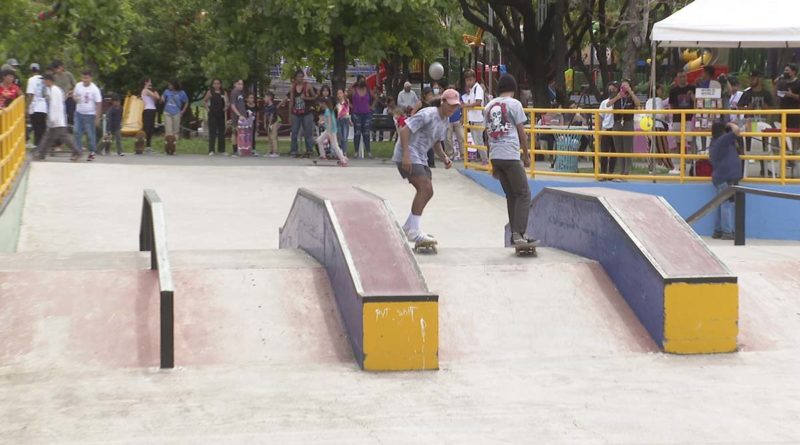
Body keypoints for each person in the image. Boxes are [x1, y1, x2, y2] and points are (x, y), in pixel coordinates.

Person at [392, 89, 459, 248]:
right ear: (442, 102)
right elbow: (404, 130)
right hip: (407, 154)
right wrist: (406, 156)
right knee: (425, 188)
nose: (452, 109)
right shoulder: (427, 114)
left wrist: (444, 158)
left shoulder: (444, 121)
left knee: (427, 191)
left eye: (455, 107)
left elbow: (436, 142)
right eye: (450, 106)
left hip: (420, 157)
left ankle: (409, 226)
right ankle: (414, 230)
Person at [484, 74, 536, 247]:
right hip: (510, 155)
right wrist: (526, 154)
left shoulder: (489, 106)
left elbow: (488, 133)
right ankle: (519, 233)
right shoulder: (515, 104)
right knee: (524, 193)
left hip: (495, 155)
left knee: (511, 195)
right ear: (514, 89)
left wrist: (491, 159)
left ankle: (515, 234)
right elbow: (522, 132)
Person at [707, 121, 742, 240]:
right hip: (726, 177)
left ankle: (718, 230)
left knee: (720, 204)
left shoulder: (715, 142)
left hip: (722, 177)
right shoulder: (722, 140)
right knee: (727, 204)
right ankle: (727, 232)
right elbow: (737, 130)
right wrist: (731, 125)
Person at [35, 73, 80, 162]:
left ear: (49, 80)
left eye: (45, 80)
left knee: (63, 137)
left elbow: (55, 106)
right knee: (49, 137)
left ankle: (77, 151)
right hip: (56, 119)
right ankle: (41, 154)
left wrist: (52, 118)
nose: (44, 82)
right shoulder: (52, 90)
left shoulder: (55, 91)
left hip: (57, 119)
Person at [607, 79, 640, 177]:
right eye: (623, 86)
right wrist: (618, 97)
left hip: (628, 122)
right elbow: (608, 104)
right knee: (618, 148)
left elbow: (638, 104)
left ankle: (627, 170)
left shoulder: (631, 97)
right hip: (617, 123)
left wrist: (631, 92)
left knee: (627, 147)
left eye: (627, 86)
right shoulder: (616, 95)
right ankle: (621, 169)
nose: (624, 87)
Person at [284, 70, 316, 157]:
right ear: (295, 78)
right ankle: (294, 150)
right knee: (294, 132)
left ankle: (309, 150)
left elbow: (314, 97)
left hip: (307, 112)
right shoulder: (292, 87)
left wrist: (306, 97)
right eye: (298, 76)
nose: (300, 78)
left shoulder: (308, 86)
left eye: (301, 76)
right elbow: (291, 101)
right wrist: (289, 114)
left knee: (308, 132)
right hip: (295, 112)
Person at [72, 70, 102, 161]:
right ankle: (78, 151)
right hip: (79, 113)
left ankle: (92, 152)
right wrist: (75, 98)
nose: (84, 80)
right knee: (76, 132)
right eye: (83, 78)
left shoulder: (94, 89)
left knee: (90, 134)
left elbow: (98, 103)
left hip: (90, 115)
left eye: (86, 78)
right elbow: (74, 95)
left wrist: (97, 117)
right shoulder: (78, 85)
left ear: (90, 78)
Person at [645, 84, 674, 172]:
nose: (662, 92)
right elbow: (660, 115)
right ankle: (669, 167)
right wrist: (664, 114)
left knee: (652, 147)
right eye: (661, 90)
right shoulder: (658, 100)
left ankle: (651, 167)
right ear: (657, 91)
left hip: (649, 125)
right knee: (662, 147)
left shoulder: (648, 101)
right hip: (658, 125)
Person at [349, 75, 376, 158]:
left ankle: (368, 152)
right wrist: (351, 106)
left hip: (367, 114)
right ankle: (356, 152)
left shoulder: (368, 90)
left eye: (364, 80)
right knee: (357, 133)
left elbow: (375, 98)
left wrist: (372, 107)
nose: (363, 82)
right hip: (356, 114)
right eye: (361, 80)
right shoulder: (353, 90)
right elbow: (346, 98)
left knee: (366, 133)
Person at [464, 70, 487, 164]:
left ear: (474, 79)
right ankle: (483, 158)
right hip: (473, 118)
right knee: (476, 141)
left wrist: (466, 106)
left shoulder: (478, 88)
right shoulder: (472, 90)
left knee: (479, 141)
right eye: (467, 80)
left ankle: (485, 160)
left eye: (470, 79)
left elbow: (478, 102)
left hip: (478, 119)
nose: (468, 82)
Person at [316, 97, 348, 166]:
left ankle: (343, 159)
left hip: (331, 130)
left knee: (335, 145)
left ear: (324, 103)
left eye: (320, 104)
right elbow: (327, 120)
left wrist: (330, 133)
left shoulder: (328, 111)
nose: (320, 105)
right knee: (319, 140)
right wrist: (322, 121)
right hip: (329, 130)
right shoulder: (329, 110)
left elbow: (330, 122)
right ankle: (323, 156)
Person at [668, 72, 695, 148]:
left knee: (690, 139)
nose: (682, 78)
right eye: (680, 77)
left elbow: (697, 102)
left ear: (686, 77)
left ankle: (690, 157)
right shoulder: (673, 90)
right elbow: (671, 104)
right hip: (677, 118)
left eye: (684, 76)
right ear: (677, 79)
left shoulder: (693, 88)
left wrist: (692, 95)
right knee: (678, 139)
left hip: (689, 118)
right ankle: (681, 155)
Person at [598, 82, 618, 178]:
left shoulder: (619, 102)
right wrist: (598, 131)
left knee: (614, 153)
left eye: (613, 89)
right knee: (604, 152)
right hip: (606, 129)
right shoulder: (604, 103)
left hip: (616, 129)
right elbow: (600, 117)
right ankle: (603, 173)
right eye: (610, 90)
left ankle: (611, 173)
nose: (611, 91)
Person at [202, 78, 227, 155]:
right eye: (215, 83)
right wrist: (207, 109)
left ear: (220, 84)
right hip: (212, 114)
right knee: (212, 132)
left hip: (221, 114)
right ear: (212, 84)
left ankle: (222, 150)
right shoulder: (210, 92)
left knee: (221, 132)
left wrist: (226, 107)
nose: (216, 85)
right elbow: (204, 101)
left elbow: (227, 102)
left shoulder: (224, 92)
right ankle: (211, 150)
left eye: (218, 83)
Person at [26, 63, 48, 147]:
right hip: (44, 107)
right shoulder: (43, 79)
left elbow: (30, 94)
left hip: (35, 107)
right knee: (42, 128)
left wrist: (27, 107)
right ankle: (42, 147)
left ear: (31, 71)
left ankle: (38, 147)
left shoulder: (31, 80)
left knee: (36, 129)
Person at [161, 80, 188, 147]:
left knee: (175, 130)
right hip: (167, 112)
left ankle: (174, 145)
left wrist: (183, 111)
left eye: (170, 85)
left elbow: (186, 102)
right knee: (168, 130)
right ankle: (167, 145)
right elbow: (162, 97)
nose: (169, 86)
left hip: (176, 112)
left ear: (174, 85)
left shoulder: (182, 93)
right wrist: (162, 98)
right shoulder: (166, 91)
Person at [51, 60, 76, 126]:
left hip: (69, 97)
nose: (57, 70)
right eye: (55, 69)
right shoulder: (54, 77)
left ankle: (71, 126)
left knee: (71, 113)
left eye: (58, 68)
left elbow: (75, 86)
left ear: (62, 67)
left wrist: (71, 91)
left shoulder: (68, 75)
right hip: (60, 100)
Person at [445, 86, 465, 160]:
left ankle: (463, 155)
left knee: (462, 137)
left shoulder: (458, 95)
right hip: (448, 119)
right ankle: (450, 154)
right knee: (447, 138)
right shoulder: (445, 96)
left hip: (457, 119)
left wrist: (462, 116)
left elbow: (462, 106)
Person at [140, 78, 160, 152]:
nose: (151, 83)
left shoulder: (150, 91)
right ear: (146, 82)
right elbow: (157, 96)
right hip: (148, 110)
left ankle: (148, 145)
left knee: (151, 128)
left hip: (152, 109)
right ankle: (144, 144)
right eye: (149, 81)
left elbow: (155, 99)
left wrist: (155, 93)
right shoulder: (145, 90)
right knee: (147, 128)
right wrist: (155, 92)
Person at [229, 79, 247, 156]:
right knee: (235, 133)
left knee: (241, 133)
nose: (241, 85)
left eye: (242, 84)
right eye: (239, 84)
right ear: (235, 84)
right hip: (237, 117)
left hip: (243, 116)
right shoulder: (234, 92)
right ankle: (235, 150)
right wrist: (239, 115)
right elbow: (232, 105)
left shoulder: (241, 93)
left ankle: (242, 149)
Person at [335, 88, 352, 156]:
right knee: (340, 136)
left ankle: (344, 152)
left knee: (345, 137)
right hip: (339, 120)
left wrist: (349, 120)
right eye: (338, 93)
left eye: (340, 93)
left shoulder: (346, 101)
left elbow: (347, 111)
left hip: (345, 120)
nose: (339, 95)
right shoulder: (336, 103)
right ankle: (341, 151)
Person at [263, 92, 280, 157]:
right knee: (269, 138)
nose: (264, 99)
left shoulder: (273, 106)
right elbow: (265, 115)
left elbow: (272, 116)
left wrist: (270, 124)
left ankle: (275, 152)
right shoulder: (266, 106)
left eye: (265, 97)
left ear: (269, 97)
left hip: (273, 123)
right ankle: (270, 151)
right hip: (268, 124)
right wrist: (265, 123)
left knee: (273, 137)